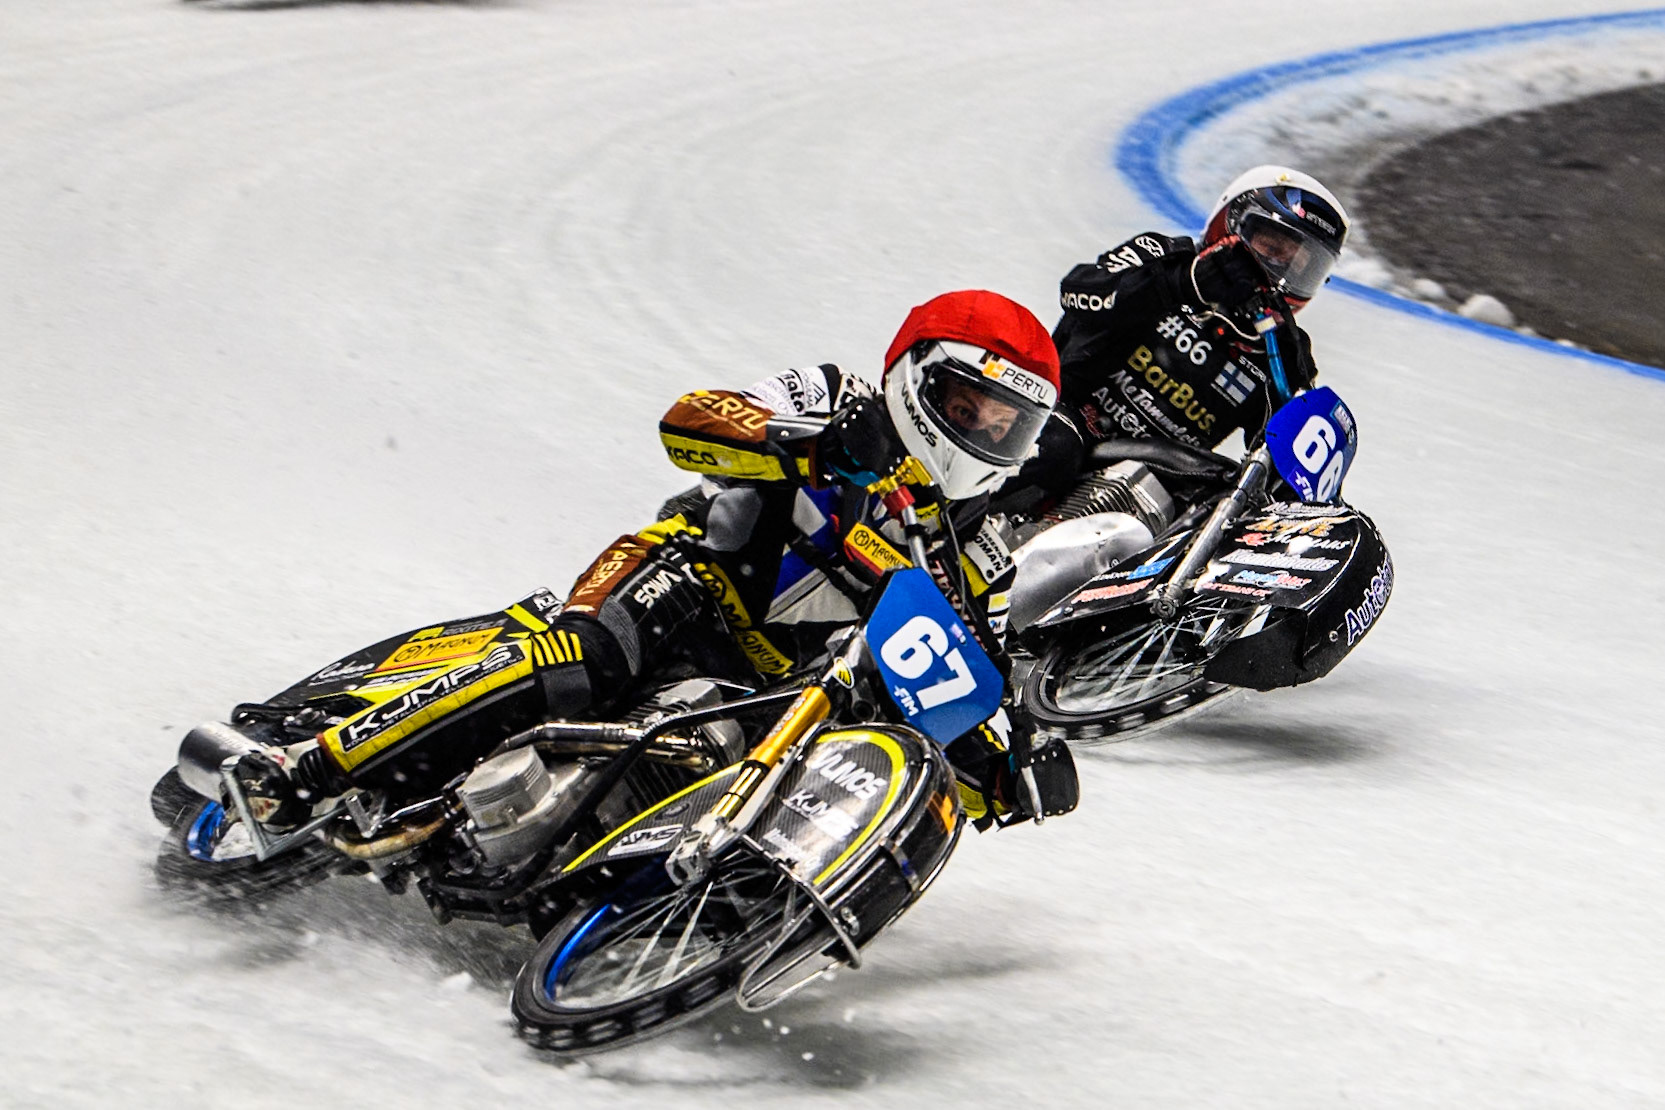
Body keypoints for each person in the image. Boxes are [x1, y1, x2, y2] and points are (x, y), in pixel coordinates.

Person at [236, 290, 1079, 834]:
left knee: (788, 783)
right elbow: (691, 420)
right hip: (687, 579)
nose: (984, 430)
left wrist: (1002, 769)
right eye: (968, 404)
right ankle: (310, 769)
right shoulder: (832, 393)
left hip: (772, 691)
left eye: (1006, 423)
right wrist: (808, 445)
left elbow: (946, 667)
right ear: (917, 378)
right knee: (581, 660)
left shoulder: (975, 544)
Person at [1015, 165, 1351, 495]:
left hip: (1157, 483)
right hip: (1059, 413)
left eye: (1300, 267)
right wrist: (1182, 284)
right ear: (1230, 224)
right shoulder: (1161, 254)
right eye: (1271, 249)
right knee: (1057, 450)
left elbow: (1288, 472)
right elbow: (1077, 292)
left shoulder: (1282, 353)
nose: (1279, 275)